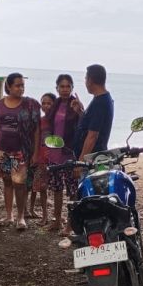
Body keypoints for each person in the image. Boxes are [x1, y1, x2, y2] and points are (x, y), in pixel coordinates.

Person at [0, 73, 41, 231]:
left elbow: (37, 130)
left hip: (21, 151)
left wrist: (36, 152)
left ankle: (21, 217)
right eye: (17, 85)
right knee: (7, 182)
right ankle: (9, 215)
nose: (21, 88)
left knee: (20, 184)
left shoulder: (30, 104)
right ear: (8, 86)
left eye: (23, 85)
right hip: (3, 150)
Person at [46, 73, 83, 234]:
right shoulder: (55, 104)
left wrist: (80, 111)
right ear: (57, 88)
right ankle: (56, 221)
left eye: (68, 86)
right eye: (62, 86)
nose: (65, 89)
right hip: (55, 153)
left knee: (73, 190)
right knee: (57, 188)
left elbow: (84, 126)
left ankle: (70, 224)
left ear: (72, 88)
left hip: (70, 154)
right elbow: (48, 125)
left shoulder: (75, 105)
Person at [73, 64, 114, 163]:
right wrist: (80, 112)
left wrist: (81, 161)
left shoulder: (100, 102)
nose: (85, 83)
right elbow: (92, 123)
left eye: (86, 79)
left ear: (90, 80)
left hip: (93, 160)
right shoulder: (101, 99)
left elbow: (93, 135)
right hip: (93, 158)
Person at [28, 92, 56, 224]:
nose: (46, 105)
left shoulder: (58, 120)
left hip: (56, 158)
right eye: (43, 103)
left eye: (49, 103)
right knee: (41, 187)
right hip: (41, 157)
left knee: (56, 189)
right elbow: (36, 139)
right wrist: (34, 155)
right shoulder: (40, 120)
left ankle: (56, 217)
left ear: (54, 104)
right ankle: (44, 216)